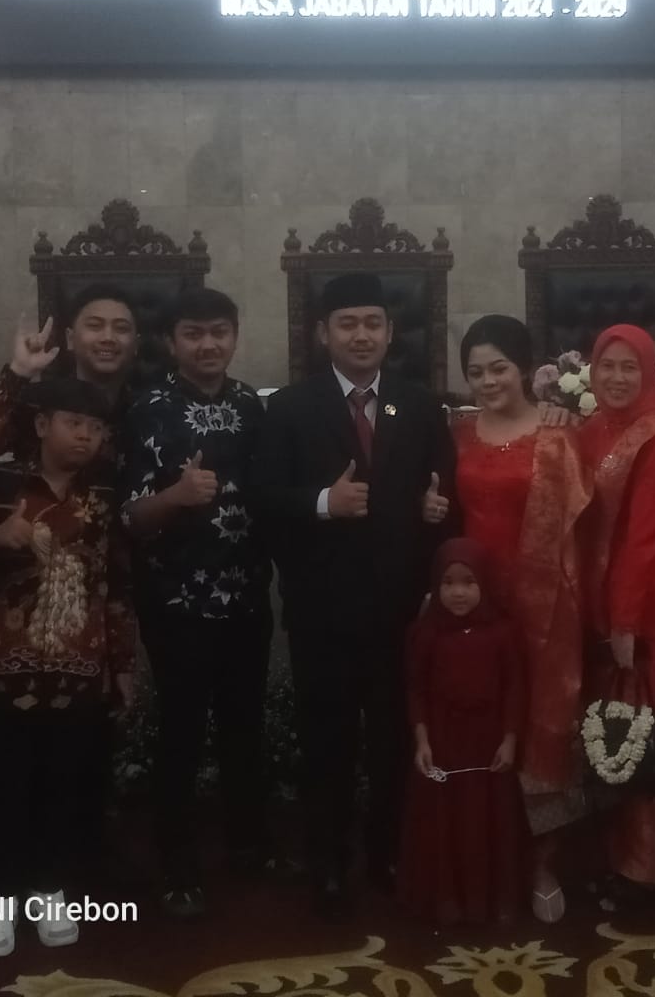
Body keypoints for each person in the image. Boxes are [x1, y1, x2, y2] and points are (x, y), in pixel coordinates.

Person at [251, 271, 456, 917]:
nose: (361, 335)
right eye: (347, 324)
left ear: (391, 332)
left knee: (394, 739)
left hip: (401, 609)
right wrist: (322, 502)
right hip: (324, 611)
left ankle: (387, 852)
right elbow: (263, 501)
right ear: (323, 333)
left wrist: (438, 512)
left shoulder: (419, 405)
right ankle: (329, 861)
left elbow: (447, 496)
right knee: (327, 743)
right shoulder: (290, 408)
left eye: (372, 323)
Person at [0, 378, 136, 959]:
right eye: (74, 423)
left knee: (63, 784)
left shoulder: (106, 493)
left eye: (96, 428)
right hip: (5, 665)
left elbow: (117, 583)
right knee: (6, 785)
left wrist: (123, 663)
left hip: (81, 664)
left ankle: (49, 890)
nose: (85, 437)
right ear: (41, 424)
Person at [121, 288, 279, 918]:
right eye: (193, 333)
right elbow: (131, 517)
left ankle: (249, 846)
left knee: (245, 730)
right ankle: (177, 865)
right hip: (177, 600)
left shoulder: (251, 404)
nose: (208, 344)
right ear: (171, 341)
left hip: (247, 595)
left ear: (235, 335)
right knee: (181, 734)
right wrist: (177, 496)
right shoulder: (147, 409)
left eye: (219, 332)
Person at [449, 314, 589, 923]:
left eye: (499, 368)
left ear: (526, 369)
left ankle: (544, 863)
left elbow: (581, 532)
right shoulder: (456, 433)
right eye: (475, 372)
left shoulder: (559, 434)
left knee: (542, 727)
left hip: (545, 607)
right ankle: (484, 858)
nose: (487, 382)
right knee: (479, 724)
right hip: (473, 606)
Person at [577, 324, 655, 910]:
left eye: (630, 368)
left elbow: (649, 536)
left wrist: (625, 621)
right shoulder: (592, 428)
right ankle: (610, 857)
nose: (617, 378)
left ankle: (645, 872)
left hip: (643, 607)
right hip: (595, 602)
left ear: (648, 374)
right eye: (607, 366)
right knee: (608, 729)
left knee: (643, 729)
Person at [397, 538, 529, 926]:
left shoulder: (503, 633)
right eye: (449, 582)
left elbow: (515, 687)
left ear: (484, 584)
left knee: (488, 820)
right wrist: (422, 740)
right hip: (444, 741)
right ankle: (446, 897)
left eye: (469, 582)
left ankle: (493, 898)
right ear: (435, 585)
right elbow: (416, 689)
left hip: (488, 744)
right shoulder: (425, 635)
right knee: (446, 820)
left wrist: (510, 739)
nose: (458, 592)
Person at [0, 286, 140, 464]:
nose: (108, 338)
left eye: (121, 328)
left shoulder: (149, 408)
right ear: (70, 339)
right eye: (94, 326)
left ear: (136, 344)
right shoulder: (36, 403)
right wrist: (18, 372)